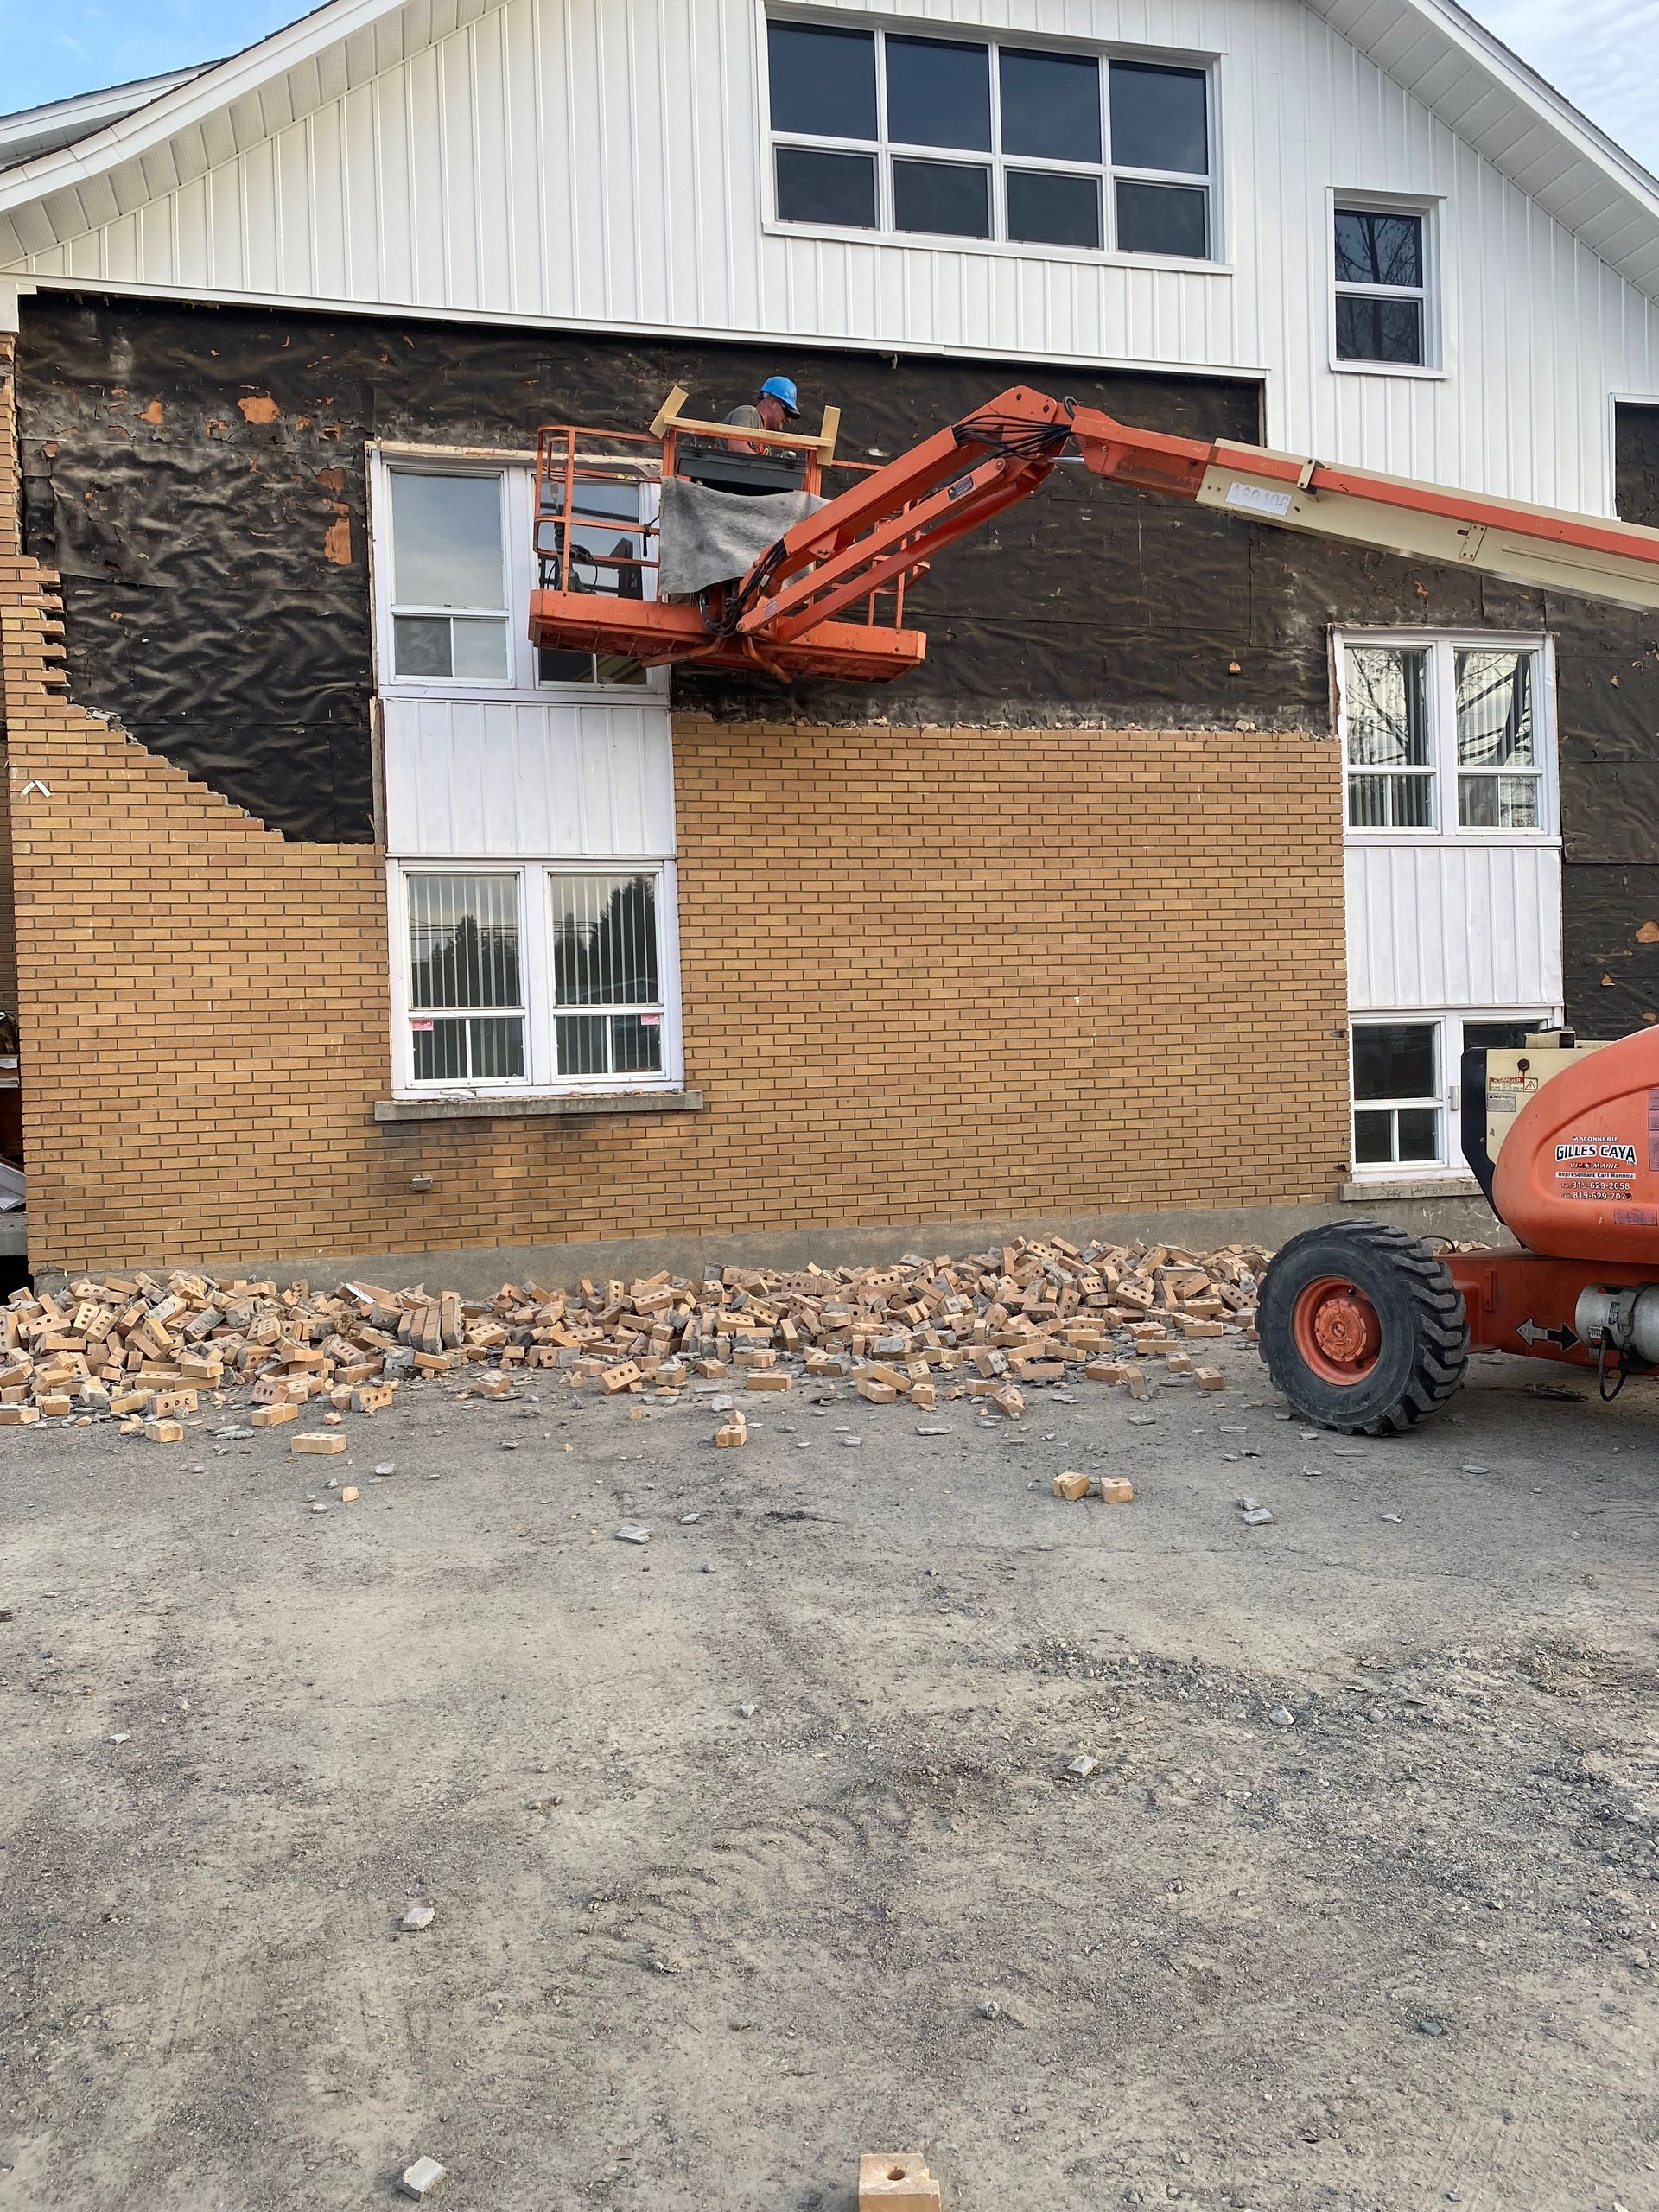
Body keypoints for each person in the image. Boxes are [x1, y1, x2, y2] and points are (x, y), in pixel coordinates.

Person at [725, 375, 800, 451]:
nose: (788, 419)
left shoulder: (764, 443)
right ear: (772, 402)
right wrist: (762, 463)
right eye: (787, 412)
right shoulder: (748, 413)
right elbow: (736, 445)